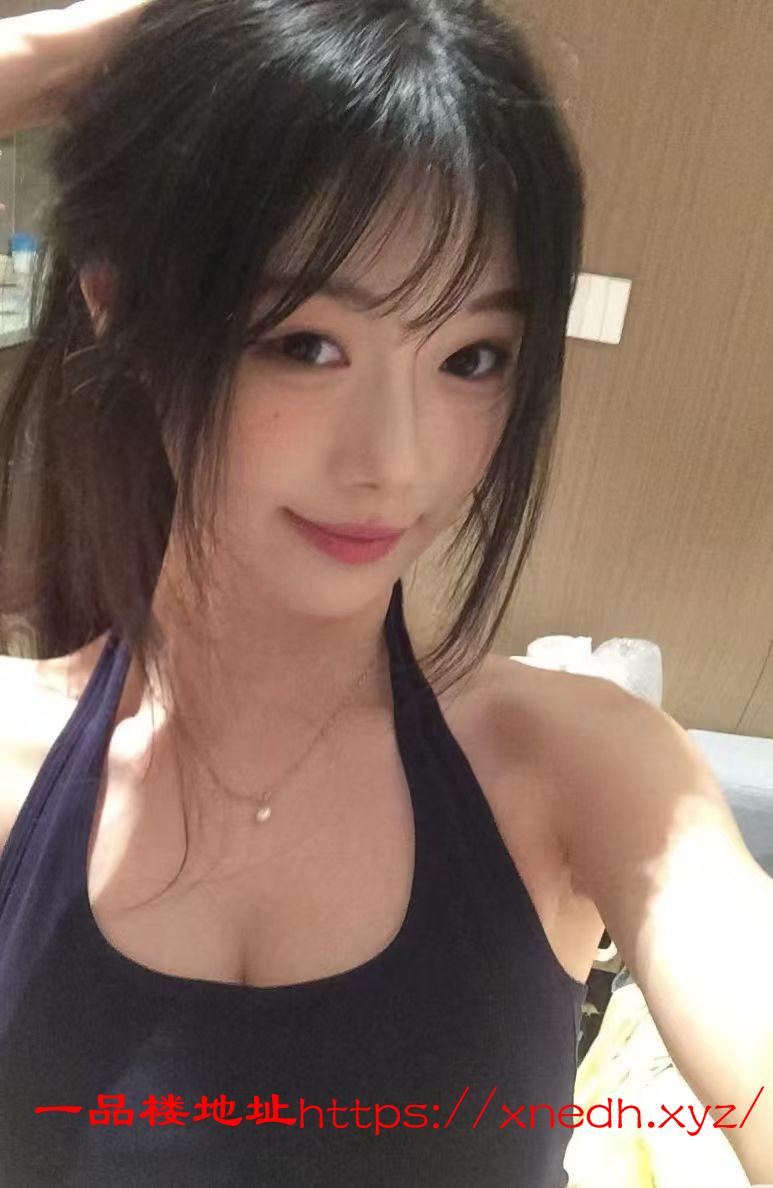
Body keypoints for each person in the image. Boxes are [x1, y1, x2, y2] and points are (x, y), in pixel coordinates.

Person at [0, 2, 770, 1185]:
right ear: (122, 309)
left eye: (471, 358)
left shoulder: (579, 769)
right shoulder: (16, 761)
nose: (395, 463)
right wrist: (78, 44)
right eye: (305, 343)